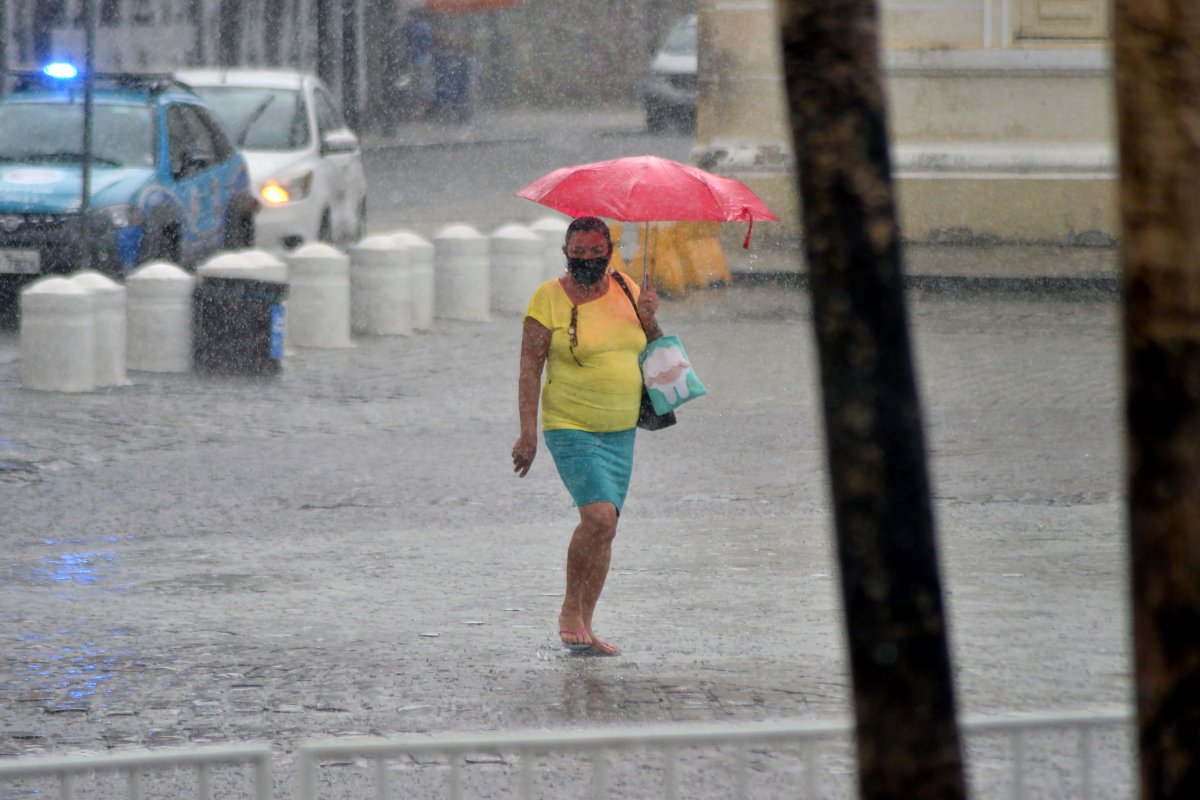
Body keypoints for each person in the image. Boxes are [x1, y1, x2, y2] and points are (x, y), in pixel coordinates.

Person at [512, 216, 662, 656]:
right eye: (577, 255)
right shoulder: (548, 299)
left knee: (607, 528)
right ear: (565, 253)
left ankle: (587, 622)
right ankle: (569, 611)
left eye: (595, 254)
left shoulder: (628, 289)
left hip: (620, 430)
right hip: (570, 426)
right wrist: (527, 434)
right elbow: (529, 368)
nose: (587, 262)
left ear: (609, 252)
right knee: (597, 517)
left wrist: (650, 319)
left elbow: (655, 346)